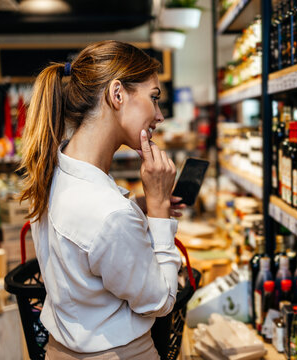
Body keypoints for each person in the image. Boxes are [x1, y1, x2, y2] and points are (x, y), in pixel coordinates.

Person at [18, 40, 185, 359]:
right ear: (117, 94)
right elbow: (161, 301)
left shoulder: (53, 168)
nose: (159, 116)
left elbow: (88, 241)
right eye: (154, 98)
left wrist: (142, 204)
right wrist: (160, 210)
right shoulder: (109, 214)